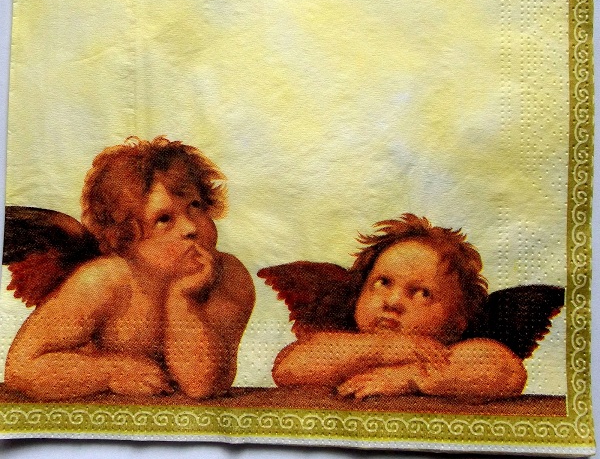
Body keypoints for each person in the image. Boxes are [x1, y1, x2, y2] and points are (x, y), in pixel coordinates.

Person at [5, 136, 255, 400]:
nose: (191, 227)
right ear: (126, 237)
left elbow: (202, 385)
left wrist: (182, 298)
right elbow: (21, 367)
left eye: (195, 206)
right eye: (164, 219)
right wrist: (110, 371)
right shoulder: (103, 281)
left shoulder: (228, 276)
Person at [271, 215, 526, 400]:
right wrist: (385, 348)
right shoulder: (340, 345)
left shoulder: (444, 355)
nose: (393, 302)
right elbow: (288, 368)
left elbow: (508, 371)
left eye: (422, 293)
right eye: (382, 282)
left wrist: (409, 378)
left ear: (457, 320)